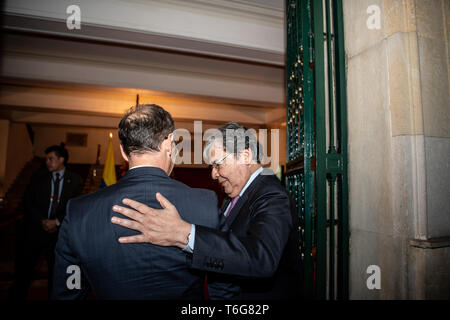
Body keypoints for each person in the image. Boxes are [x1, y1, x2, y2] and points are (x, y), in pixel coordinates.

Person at [111, 122, 302, 299]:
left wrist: (184, 233)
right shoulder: (236, 193)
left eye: (218, 164)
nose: (213, 174)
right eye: (212, 166)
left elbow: (262, 259)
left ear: (245, 156)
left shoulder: (272, 196)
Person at [51, 104, 219, 300]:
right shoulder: (205, 203)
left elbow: (69, 289)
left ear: (122, 151)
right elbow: (223, 283)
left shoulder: (79, 211)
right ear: (169, 143)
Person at [9, 143, 83, 299]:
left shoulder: (75, 180)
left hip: (58, 235)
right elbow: (28, 202)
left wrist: (56, 222)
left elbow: (75, 206)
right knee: (24, 270)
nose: (47, 162)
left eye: (51, 159)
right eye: (46, 159)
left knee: (55, 273)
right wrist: (42, 221)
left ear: (61, 159)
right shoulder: (38, 177)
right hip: (35, 231)